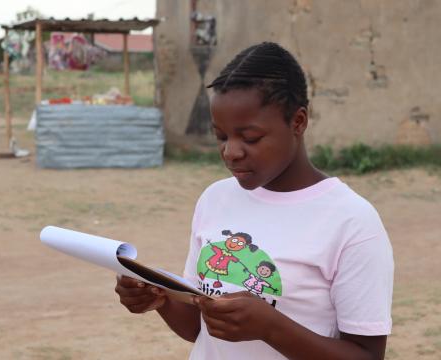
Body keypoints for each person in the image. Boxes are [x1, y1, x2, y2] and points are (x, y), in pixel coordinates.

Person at [115, 42, 394, 360]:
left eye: (250, 138)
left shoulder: (352, 221)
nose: (231, 151)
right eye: (221, 136)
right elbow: (200, 327)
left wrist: (271, 327)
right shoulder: (215, 199)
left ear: (298, 122)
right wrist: (161, 299)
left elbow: (367, 356)